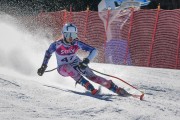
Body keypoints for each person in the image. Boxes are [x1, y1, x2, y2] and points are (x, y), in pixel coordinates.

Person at [37, 23, 130, 96]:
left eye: (73, 35)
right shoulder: (57, 44)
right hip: (62, 68)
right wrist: (43, 66)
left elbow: (94, 51)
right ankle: (87, 85)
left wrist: (86, 61)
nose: (70, 37)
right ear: (63, 34)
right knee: (68, 67)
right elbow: (48, 53)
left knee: (92, 76)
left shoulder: (76, 43)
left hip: (75, 63)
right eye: (68, 34)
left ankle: (115, 88)